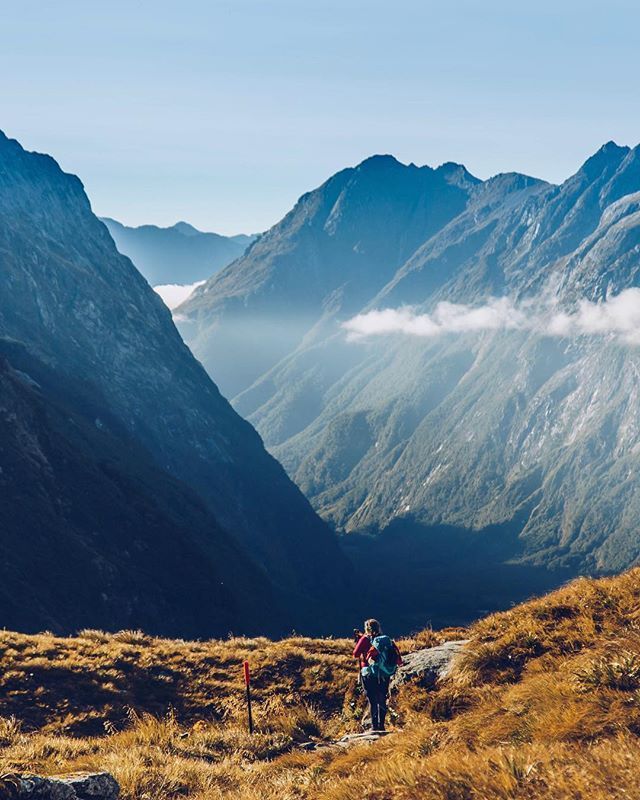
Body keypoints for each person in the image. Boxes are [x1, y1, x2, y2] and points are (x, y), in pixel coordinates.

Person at [352, 618, 401, 732]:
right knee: (382, 698)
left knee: (372, 700)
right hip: (384, 673)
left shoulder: (365, 639)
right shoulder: (385, 640)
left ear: (366, 628)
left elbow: (355, 654)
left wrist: (360, 641)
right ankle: (382, 726)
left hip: (368, 673)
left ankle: (374, 727)